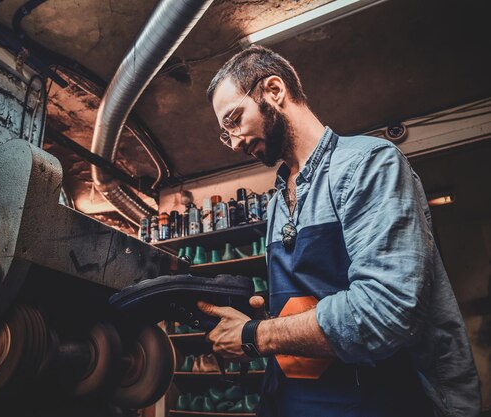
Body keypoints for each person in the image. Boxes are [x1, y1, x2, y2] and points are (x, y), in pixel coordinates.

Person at [198, 45, 480, 417]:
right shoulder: (276, 202)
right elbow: (312, 298)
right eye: (225, 133)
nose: (233, 141)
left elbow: (385, 311)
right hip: (290, 401)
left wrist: (255, 336)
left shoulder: (369, 165)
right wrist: (262, 321)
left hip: (372, 403)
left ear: (274, 91)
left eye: (234, 119)